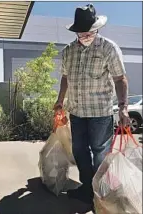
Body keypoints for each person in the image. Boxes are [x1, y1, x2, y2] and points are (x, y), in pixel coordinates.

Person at [54, 3, 130, 208]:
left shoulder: (108, 48)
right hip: (77, 112)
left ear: (96, 29)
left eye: (90, 32)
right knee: (79, 151)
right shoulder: (68, 51)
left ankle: (101, 194)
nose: (86, 35)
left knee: (100, 153)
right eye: (81, 32)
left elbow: (120, 78)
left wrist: (123, 106)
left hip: (100, 113)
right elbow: (65, 78)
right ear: (76, 31)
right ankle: (87, 188)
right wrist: (60, 100)